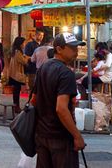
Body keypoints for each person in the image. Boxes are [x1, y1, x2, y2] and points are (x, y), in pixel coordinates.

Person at [33, 32, 86, 168]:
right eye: (72, 48)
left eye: (77, 48)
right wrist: (77, 136)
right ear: (59, 49)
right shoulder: (66, 73)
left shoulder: (42, 68)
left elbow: (34, 100)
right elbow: (61, 109)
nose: (76, 52)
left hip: (43, 135)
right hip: (60, 137)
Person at [8, 36, 30, 113]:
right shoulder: (18, 52)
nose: (24, 44)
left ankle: (16, 106)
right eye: (23, 43)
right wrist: (27, 58)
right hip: (16, 75)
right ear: (20, 44)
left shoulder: (15, 51)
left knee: (16, 91)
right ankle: (16, 107)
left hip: (14, 74)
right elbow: (24, 62)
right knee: (16, 91)